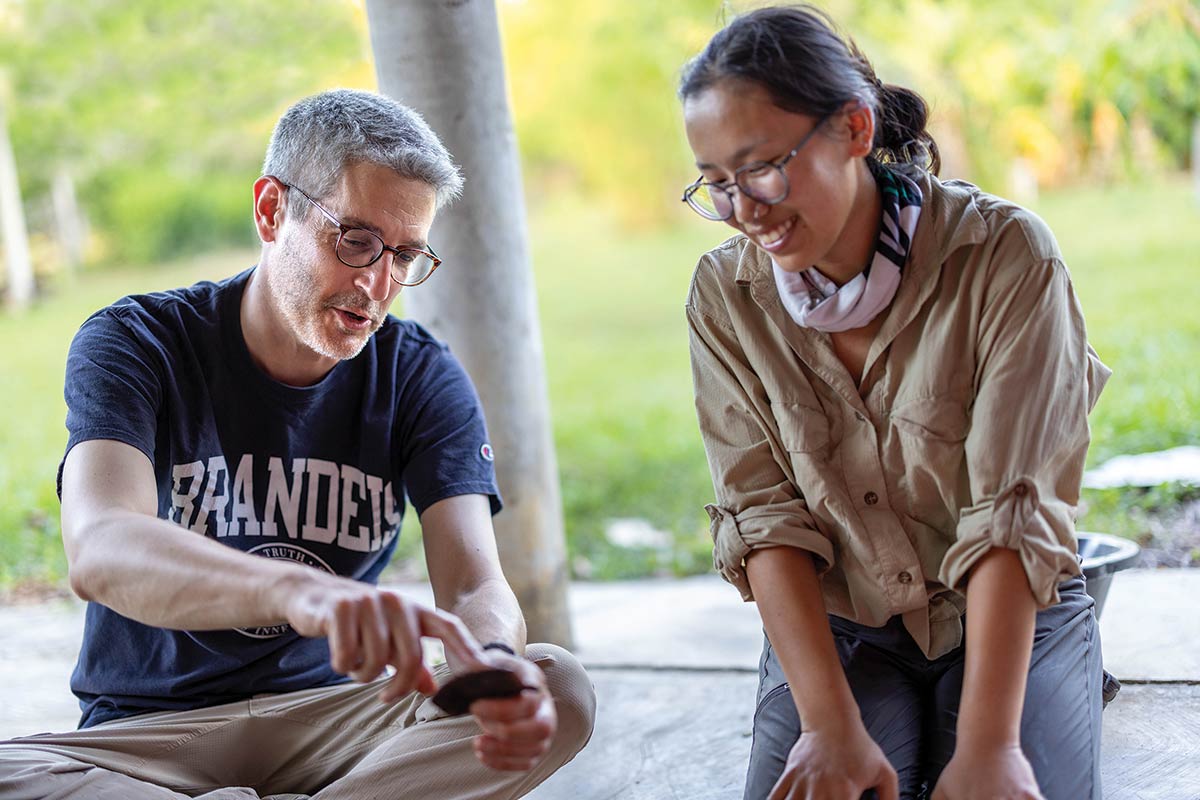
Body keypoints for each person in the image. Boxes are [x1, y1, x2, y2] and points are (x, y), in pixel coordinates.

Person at [0, 89, 595, 800]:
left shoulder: (419, 374)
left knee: (557, 685)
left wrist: (491, 666)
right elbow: (101, 546)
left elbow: (472, 582)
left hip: (336, 723)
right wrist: (303, 593)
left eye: (405, 255)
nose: (376, 285)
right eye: (355, 240)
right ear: (271, 210)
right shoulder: (137, 342)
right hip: (151, 734)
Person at [678, 6, 1110, 800]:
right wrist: (828, 728)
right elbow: (764, 515)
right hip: (842, 624)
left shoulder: (1003, 254)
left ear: (853, 127)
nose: (747, 210)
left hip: (1011, 609)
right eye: (718, 187)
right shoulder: (724, 296)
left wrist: (990, 747)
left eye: (763, 167)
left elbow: (1015, 507)